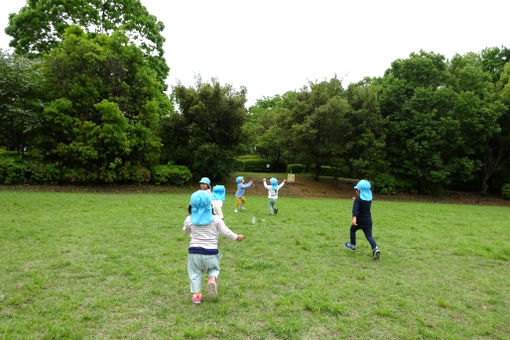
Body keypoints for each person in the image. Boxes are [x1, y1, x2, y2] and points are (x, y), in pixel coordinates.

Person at [183, 190, 244, 304]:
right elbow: (225, 232)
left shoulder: (189, 219)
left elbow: (185, 232)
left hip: (194, 252)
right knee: (214, 269)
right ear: (210, 205)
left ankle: (197, 296)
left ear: (192, 205)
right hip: (211, 252)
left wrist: (188, 228)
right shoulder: (216, 219)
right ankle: (212, 279)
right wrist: (236, 237)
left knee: (195, 273)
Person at [344, 179, 381, 260]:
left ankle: (352, 246)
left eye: (356, 189)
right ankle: (375, 249)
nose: (356, 191)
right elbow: (362, 203)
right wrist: (356, 201)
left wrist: (354, 219)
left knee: (352, 230)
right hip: (368, 220)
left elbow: (355, 210)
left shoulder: (358, 199)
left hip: (359, 221)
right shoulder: (369, 199)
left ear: (359, 190)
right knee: (369, 235)